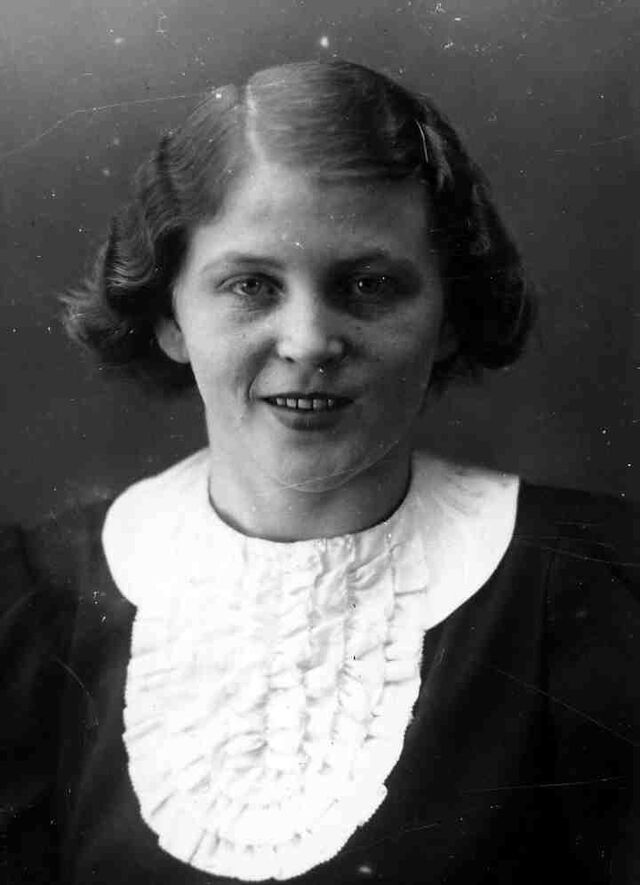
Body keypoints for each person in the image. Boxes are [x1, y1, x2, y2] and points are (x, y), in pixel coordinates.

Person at [0, 59, 637, 885]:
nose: (307, 341)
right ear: (168, 315)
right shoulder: (39, 602)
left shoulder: (595, 584)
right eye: (251, 285)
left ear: (448, 313)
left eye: (369, 284)